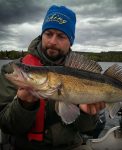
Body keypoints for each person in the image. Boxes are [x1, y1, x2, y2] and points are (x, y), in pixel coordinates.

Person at [0, 5, 105, 150]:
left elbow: (87, 129)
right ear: (42, 34)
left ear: (71, 41)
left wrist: (88, 114)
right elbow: (5, 126)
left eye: (61, 36)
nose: (53, 41)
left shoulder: (82, 72)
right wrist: (23, 105)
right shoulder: (12, 70)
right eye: (48, 33)